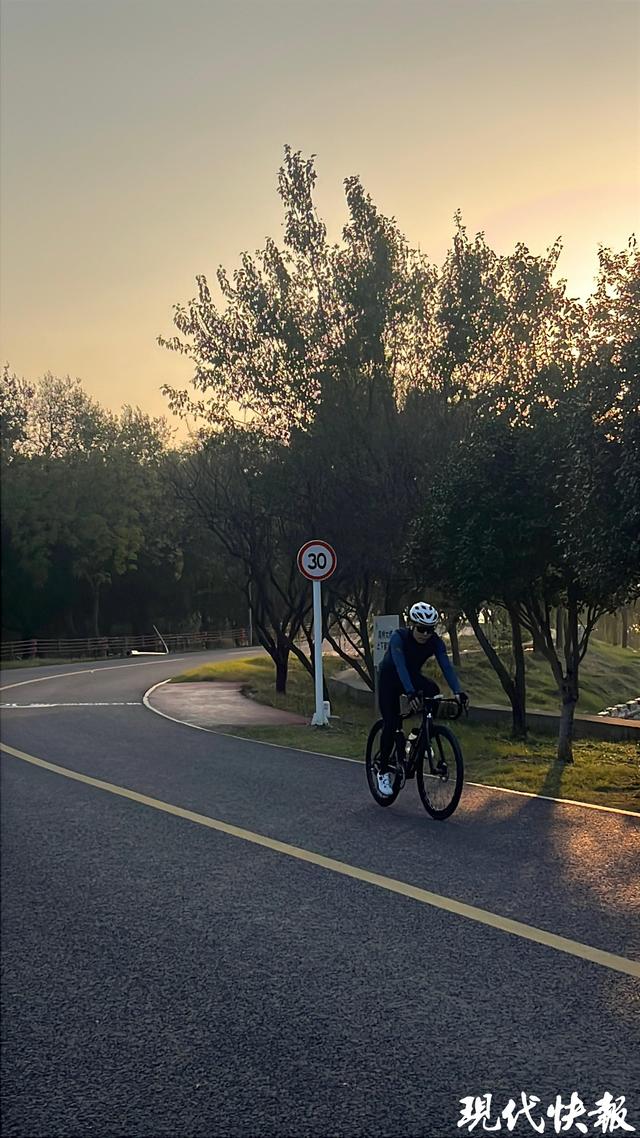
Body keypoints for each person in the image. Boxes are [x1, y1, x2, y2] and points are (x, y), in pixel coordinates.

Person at [376, 601, 468, 797]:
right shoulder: (399, 637)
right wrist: (410, 692)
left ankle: (419, 737)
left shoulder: (435, 642)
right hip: (389, 679)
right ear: (412, 624)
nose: (425, 634)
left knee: (433, 691)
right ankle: (382, 771)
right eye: (421, 629)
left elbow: (446, 666)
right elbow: (400, 666)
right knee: (391, 723)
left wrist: (458, 692)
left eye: (430, 630)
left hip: (411, 677)